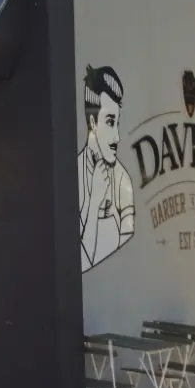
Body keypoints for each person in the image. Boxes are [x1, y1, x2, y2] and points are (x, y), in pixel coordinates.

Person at [79, 64, 135, 271]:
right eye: (110, 122)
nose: (117, 137)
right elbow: (79, 265)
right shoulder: (72, 177)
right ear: (93, 122)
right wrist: (94, 204)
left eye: (117, 123)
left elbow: (128, 259)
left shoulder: (123, 182)